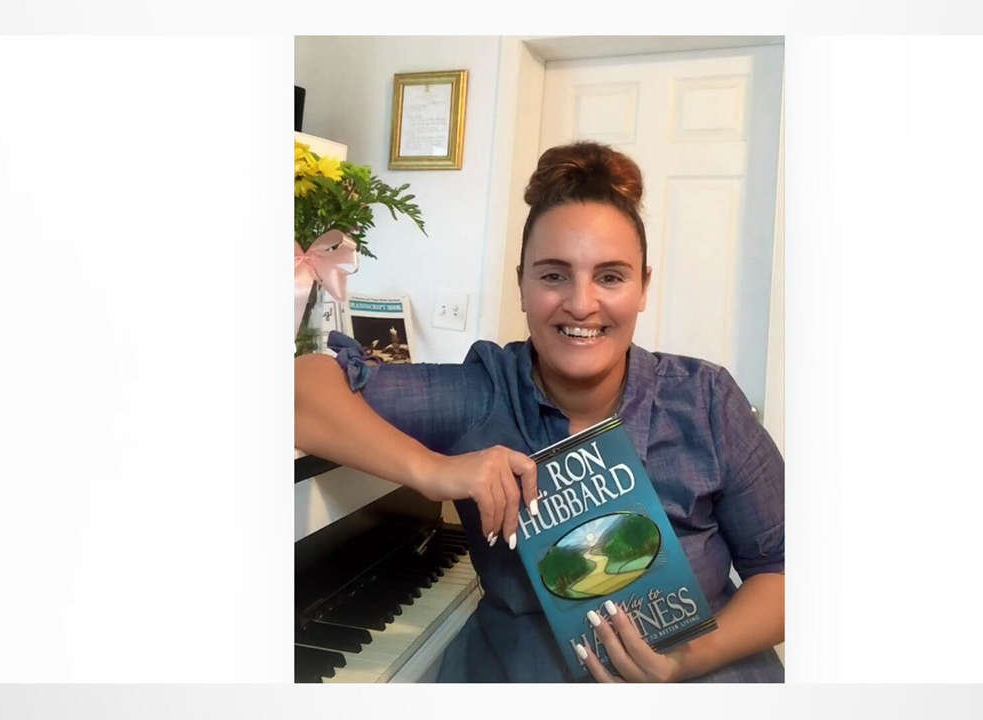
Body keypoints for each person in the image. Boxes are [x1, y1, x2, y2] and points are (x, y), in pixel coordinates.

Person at [294, 141, 784, 682]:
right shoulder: (484, 391)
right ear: (522, 286)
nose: (581, 303)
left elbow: (786, 571)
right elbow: (300, 388)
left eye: (610, 276)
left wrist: (679, 663)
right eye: (553, 275)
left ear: (644, 286)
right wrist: (433, 471)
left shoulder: (705, 399)